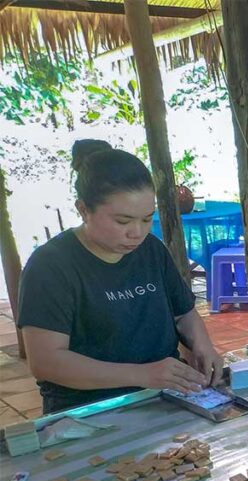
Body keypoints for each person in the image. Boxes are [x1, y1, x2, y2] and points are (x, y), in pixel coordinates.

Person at [18, 146, 222, 415]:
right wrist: (142, 375)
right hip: (87, 409)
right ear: (83, 210)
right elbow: (47, 362)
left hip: (165, 394)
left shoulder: (152, 249)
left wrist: (204, 347)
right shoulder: (51, 266)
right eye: (122, 221)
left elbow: (183, 313)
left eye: (147, 219)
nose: (136, 233)